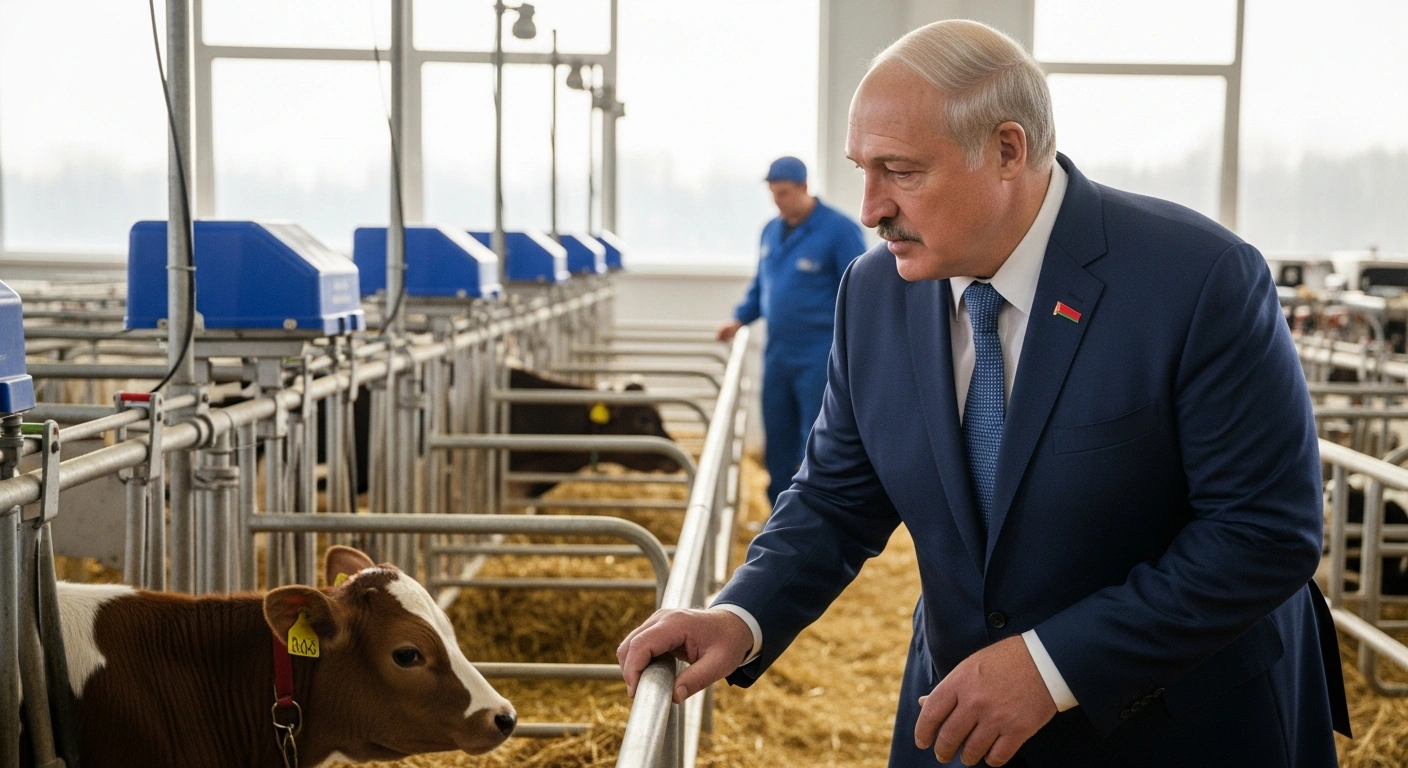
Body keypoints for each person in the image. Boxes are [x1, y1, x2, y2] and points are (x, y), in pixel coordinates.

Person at [620, 19, 1349, 768]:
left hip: (1175, 722)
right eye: (862, 169)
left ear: (1008, 150)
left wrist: (1050, 664)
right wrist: (741, 613)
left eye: (900, 171)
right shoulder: (874, 292)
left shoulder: (1196, 279)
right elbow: (837, 496)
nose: (869, 208)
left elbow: (1263, 531)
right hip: (956, 713)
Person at [718, 156, 866, 506]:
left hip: (821, 353)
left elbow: (862, 290)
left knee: (817, 437)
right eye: (773, 193)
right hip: (779, 352)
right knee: (778, 434)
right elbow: (763, 286)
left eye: (784, 193)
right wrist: (740, 317)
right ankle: (776, 514)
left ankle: (816, 513)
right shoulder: (770, 231)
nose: (777, 201)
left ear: (804, 187)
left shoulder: (839, 230)